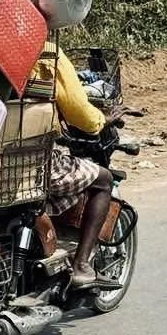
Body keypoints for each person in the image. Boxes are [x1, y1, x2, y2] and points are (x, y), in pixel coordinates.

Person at [33, 43, 120, 288]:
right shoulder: (46, 52)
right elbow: (78, 110)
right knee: (103, 179)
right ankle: (82, 265)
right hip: (35, 162)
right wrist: (103, 119)